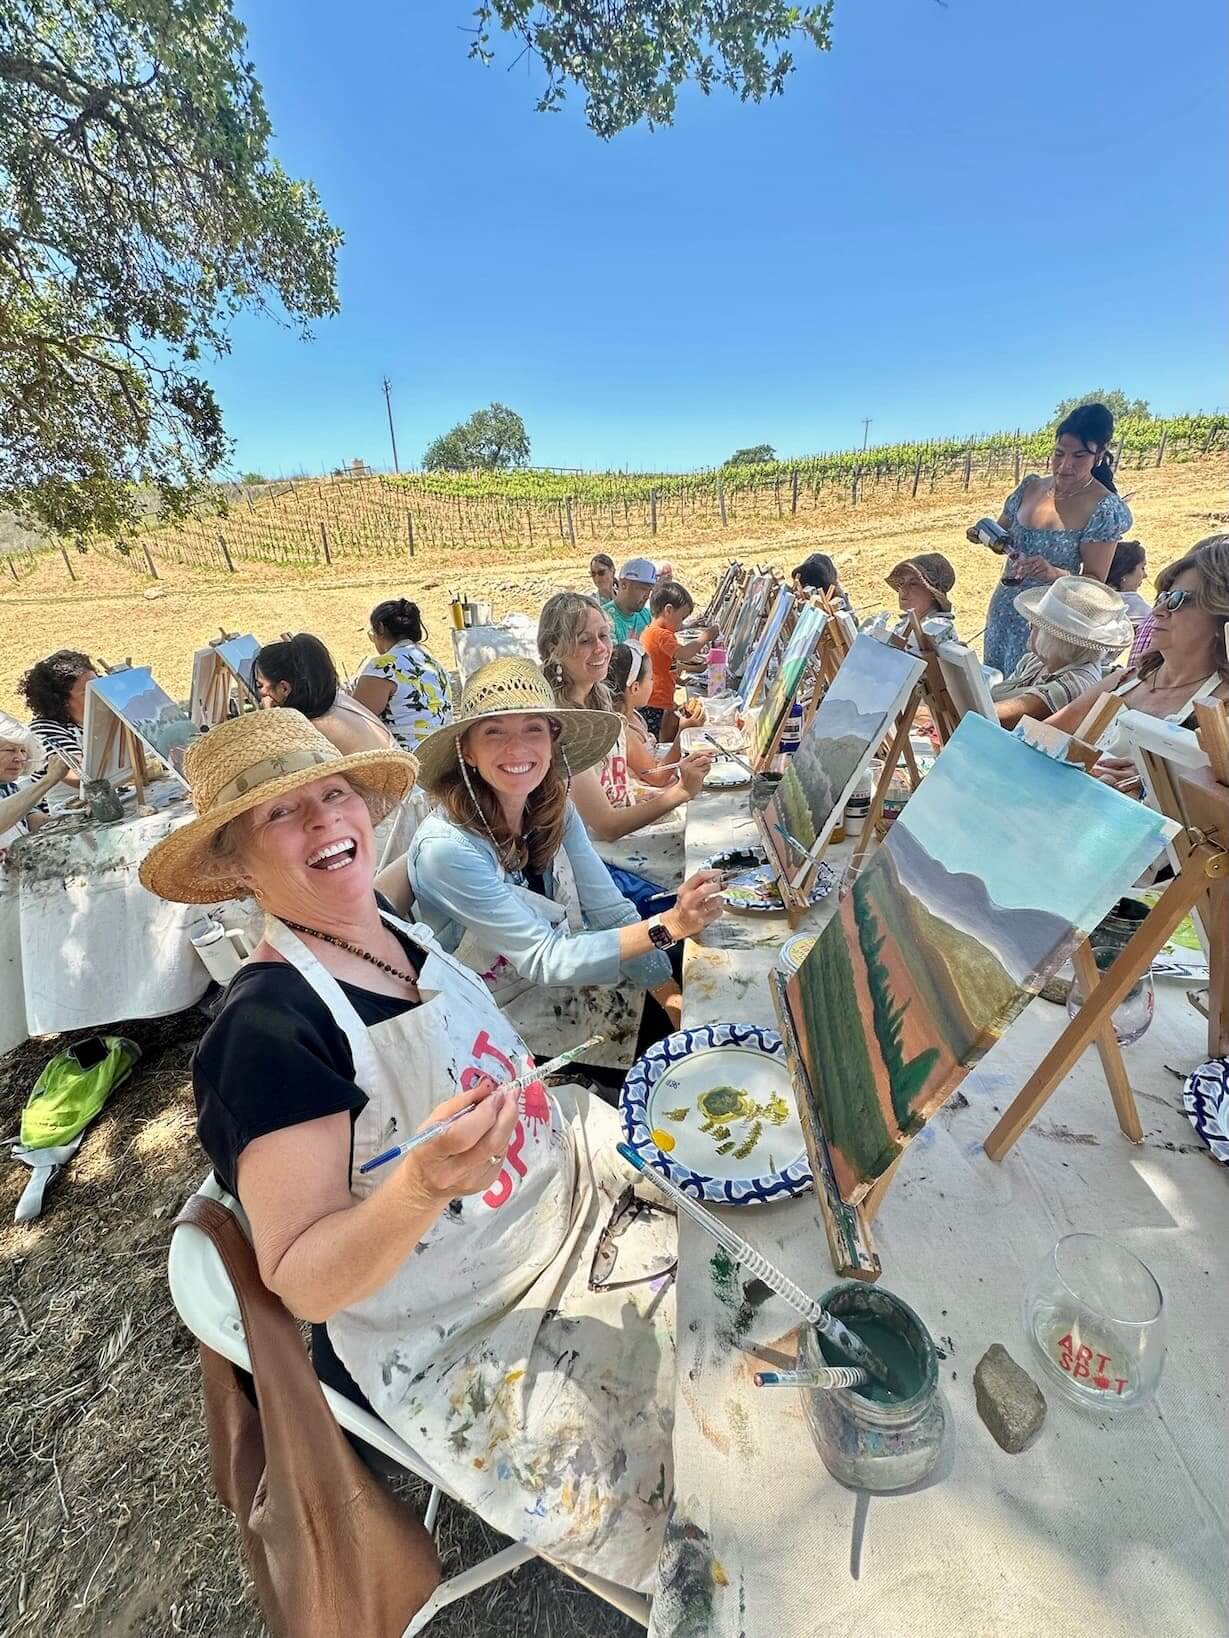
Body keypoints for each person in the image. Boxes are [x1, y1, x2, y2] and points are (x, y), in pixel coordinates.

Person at [138, 709, 682, 1594]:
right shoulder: (266, 1034)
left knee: (751, 1261)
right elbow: (304, 1281)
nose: (324, 822)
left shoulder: (390, 928)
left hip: (572, 1197)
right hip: (476, 1315)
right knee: (712, 1467)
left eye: (334, 793)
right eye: (282, 814)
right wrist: (422, 1185)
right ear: (235, 863)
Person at [407, 659, 725, 1075]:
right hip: (496, 1024)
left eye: (533, 729)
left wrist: (667, 995)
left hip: (562, 983)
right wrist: (670, 925)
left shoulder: (553, 807)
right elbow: (544, 958)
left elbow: (608, 909)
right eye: (495, 732)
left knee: (704, 997)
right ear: (467, 750)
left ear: (552, 740)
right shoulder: (447, 851)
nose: (517, 748)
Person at [537, 594, 712, 907]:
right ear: (554, 649)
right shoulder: (560, 726)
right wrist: (682, 791)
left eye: (603, 636)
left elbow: (641, 776)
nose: (601, 648)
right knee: (704, 872)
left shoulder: (601, 702)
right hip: (599, 864)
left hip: (618, 844)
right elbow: (607, 826)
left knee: (709, 839)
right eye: (585, 640)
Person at [1046, 535, 1229, 794]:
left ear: (1222, 617)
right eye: (1161, 597)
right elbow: (1039, 738)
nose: (1158, 611)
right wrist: (1081, 762)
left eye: (1177, 600)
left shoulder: (1220, 710)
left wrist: (1155, 784)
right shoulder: (1126, 680)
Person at [974, 403, 1132, 676]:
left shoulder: (1103, 508)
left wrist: (1054, 573)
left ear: (1100, 454)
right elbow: (1002, 533)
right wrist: (982, 534)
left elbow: (1094, 583)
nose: (1065, 465)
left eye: (1079, 456)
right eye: (1059, 453)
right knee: (992, 688)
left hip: (1049, 623)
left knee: (1022, 699)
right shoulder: (1031, 487)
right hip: (1004, 608)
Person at [991, 576, 1131, 728]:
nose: (1028, 626)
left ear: (1055, 639)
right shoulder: (1035, 662)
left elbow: (996, 715)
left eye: (1037, 624)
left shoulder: (1077, 683)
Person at [254, 634, 396, 755]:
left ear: (284, 688)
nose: (262, 693)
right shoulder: (340, 700)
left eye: (261, 685)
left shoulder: (306, 729)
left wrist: (270, 715)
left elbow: (273, 758)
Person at [351, 598, 451, 753]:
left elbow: (356, 721)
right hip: (442, 753)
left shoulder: (384, 666)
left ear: (380, 628)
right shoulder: (434, 664)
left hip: (407, 758)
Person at [642, 581, 717, 741]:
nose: (681, 624)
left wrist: (680, 680)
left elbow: (664, 665)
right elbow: (683, 654)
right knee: (657, 739)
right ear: (668, 610)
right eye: (681, 618)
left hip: (657, 699)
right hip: (656, 701)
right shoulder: (661, 635)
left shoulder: (652, 632)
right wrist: (705, 637)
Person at [19, 649, 97, 788]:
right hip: (61, 808)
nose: (99, 695)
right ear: (62, 700)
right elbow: (77, 776)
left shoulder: (94, 721)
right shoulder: (44, 729)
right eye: (88, 693)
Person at [0, 729, 68, 852]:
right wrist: (49, 779)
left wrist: (77, 813)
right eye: (10, 750)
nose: (20, 758)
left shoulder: (10, 788)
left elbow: (40, 823)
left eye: (23, 751)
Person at [885, 553, 957, 631]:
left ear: (933, 593)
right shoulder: (904, 625)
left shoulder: (939, 626)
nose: (902, 589)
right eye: (901, 583)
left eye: (913, 584)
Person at [603, 557, 657, 643]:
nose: (647, 596)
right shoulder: (604, 618)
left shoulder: (646, 615)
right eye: (643, 589)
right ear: (624, 584)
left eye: (650, 590)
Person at [1106, 541, 1151, 626]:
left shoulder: (1091, 594)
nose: (1145, 575)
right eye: (1142, 568)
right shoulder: (1133, 605)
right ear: (1125, 572)